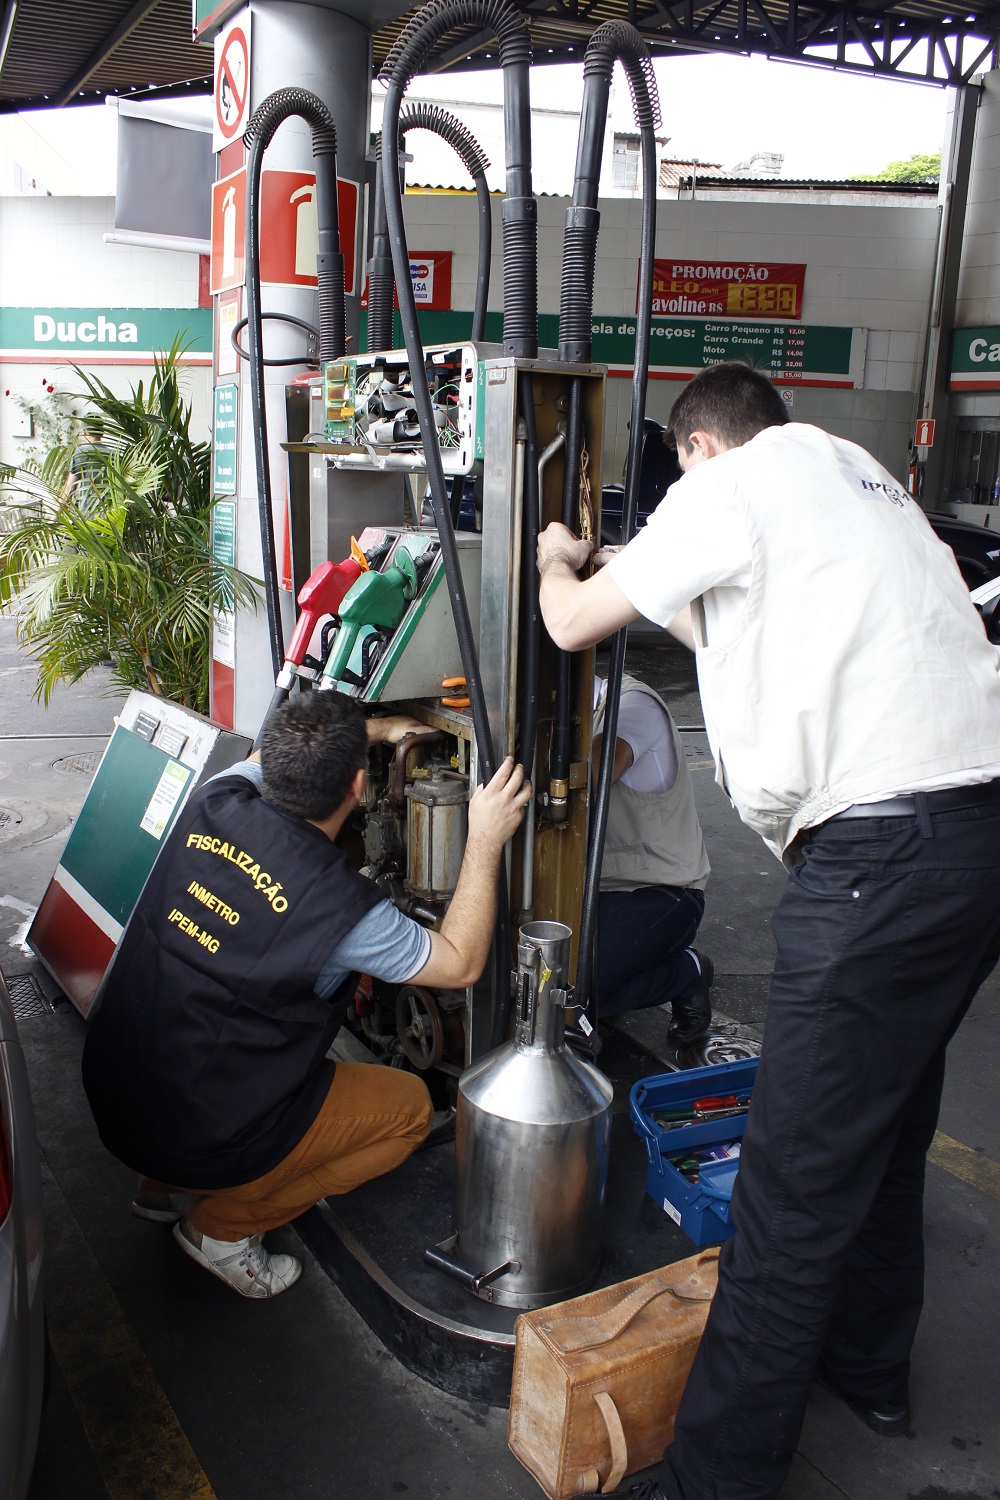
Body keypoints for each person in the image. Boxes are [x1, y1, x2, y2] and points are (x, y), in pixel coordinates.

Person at [536, 361, 1000, 1500]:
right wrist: (638, 572)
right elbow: (735, 627)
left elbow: (569, 626)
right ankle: (869, 1373)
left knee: (789, 1187)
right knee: (885, 1128)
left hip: (878, 863)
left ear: (698, 448)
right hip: (974, 834)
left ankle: (716, 1479)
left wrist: (560, 560)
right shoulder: (854, 477)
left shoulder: (723, 485)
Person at [82, 691, 530, 1300]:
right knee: (408, 1111)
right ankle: (221, 1229)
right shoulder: (338, 907)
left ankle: (156, 1190)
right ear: (357, 784)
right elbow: (462, 963)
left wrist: (373, 731)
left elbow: (270, 754)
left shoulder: (218, 797)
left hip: (112, 1094)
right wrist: (484, 838)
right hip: (198, 1126)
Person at [593, 673, 712, 1045]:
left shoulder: (633, 705)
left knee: (579, 988)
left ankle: (688, 972)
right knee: (543, 973)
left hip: (663, 891)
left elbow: (595, 772)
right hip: (598, 889)